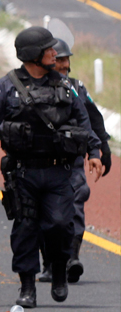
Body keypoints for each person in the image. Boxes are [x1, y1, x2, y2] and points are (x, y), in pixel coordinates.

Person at [0, 27, 103, 308]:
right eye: (49, 50)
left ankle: (58, 271)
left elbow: (83, 121)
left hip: (59, 172)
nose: (56, 54)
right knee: (26, 229)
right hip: (23, 172)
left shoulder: (66, 86)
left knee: (59, 225)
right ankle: (27, 287)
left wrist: (94, 151)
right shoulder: (5, 87)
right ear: (34, 55)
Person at [35, 38, 112, 284]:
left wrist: (101, 149)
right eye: (58, 62)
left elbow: (93, 117)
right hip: (40, 161)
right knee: (40, 213)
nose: (63, 67)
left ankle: (71, 259)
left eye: (66, 62)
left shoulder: (76, 88)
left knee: (76, 201)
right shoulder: (34, 89)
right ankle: (49, 263)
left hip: (72, 159)